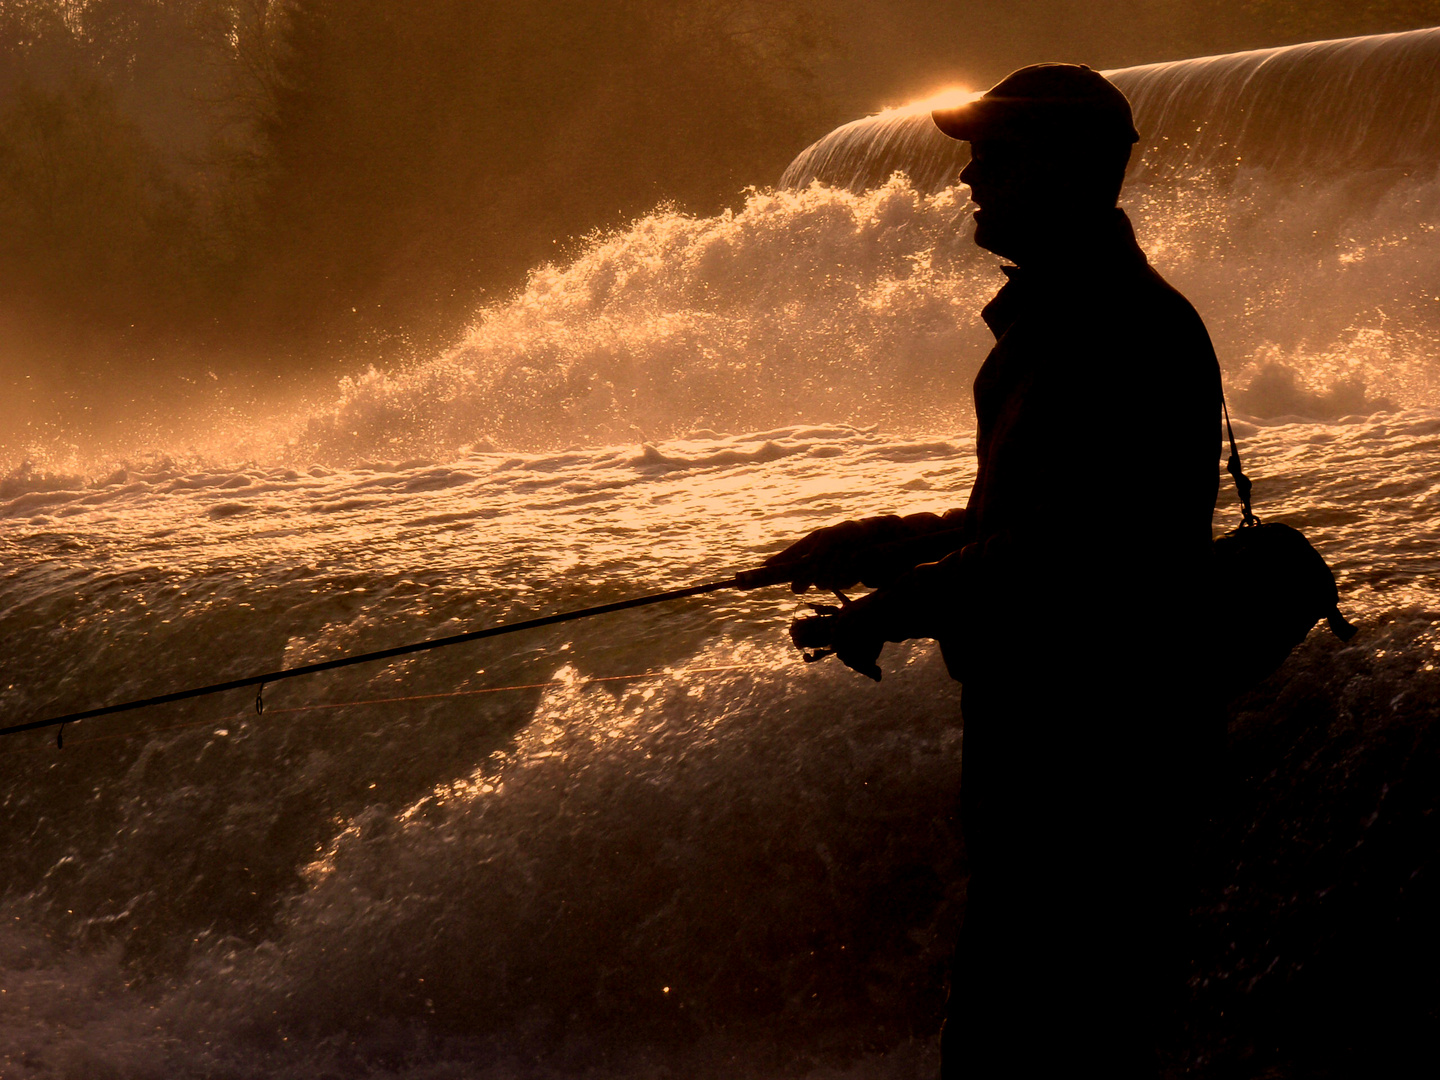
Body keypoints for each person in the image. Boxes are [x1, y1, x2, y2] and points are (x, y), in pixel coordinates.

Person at [766, 65, 1223, 1077]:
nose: (970, 180)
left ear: (1064, 170)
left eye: (995, 157)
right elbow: (1020, 522)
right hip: (1049, 746)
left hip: (1097, 755)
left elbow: (1075, 548)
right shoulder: (1064, 322)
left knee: (1034, 1037)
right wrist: (869, 543)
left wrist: (897, 603)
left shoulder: (1118, 331)